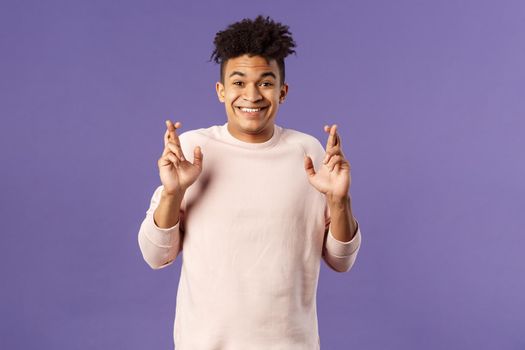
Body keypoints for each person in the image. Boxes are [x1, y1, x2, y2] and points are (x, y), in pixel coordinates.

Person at [137, 15, 362, 350]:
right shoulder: (193, 150)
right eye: (239, 82)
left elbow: (341, 261)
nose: (252, 95)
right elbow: (155, 256)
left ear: (282, 92)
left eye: (266, 82)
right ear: (221, 90)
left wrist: (339, 201)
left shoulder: (309, 153)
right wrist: (174, 192)